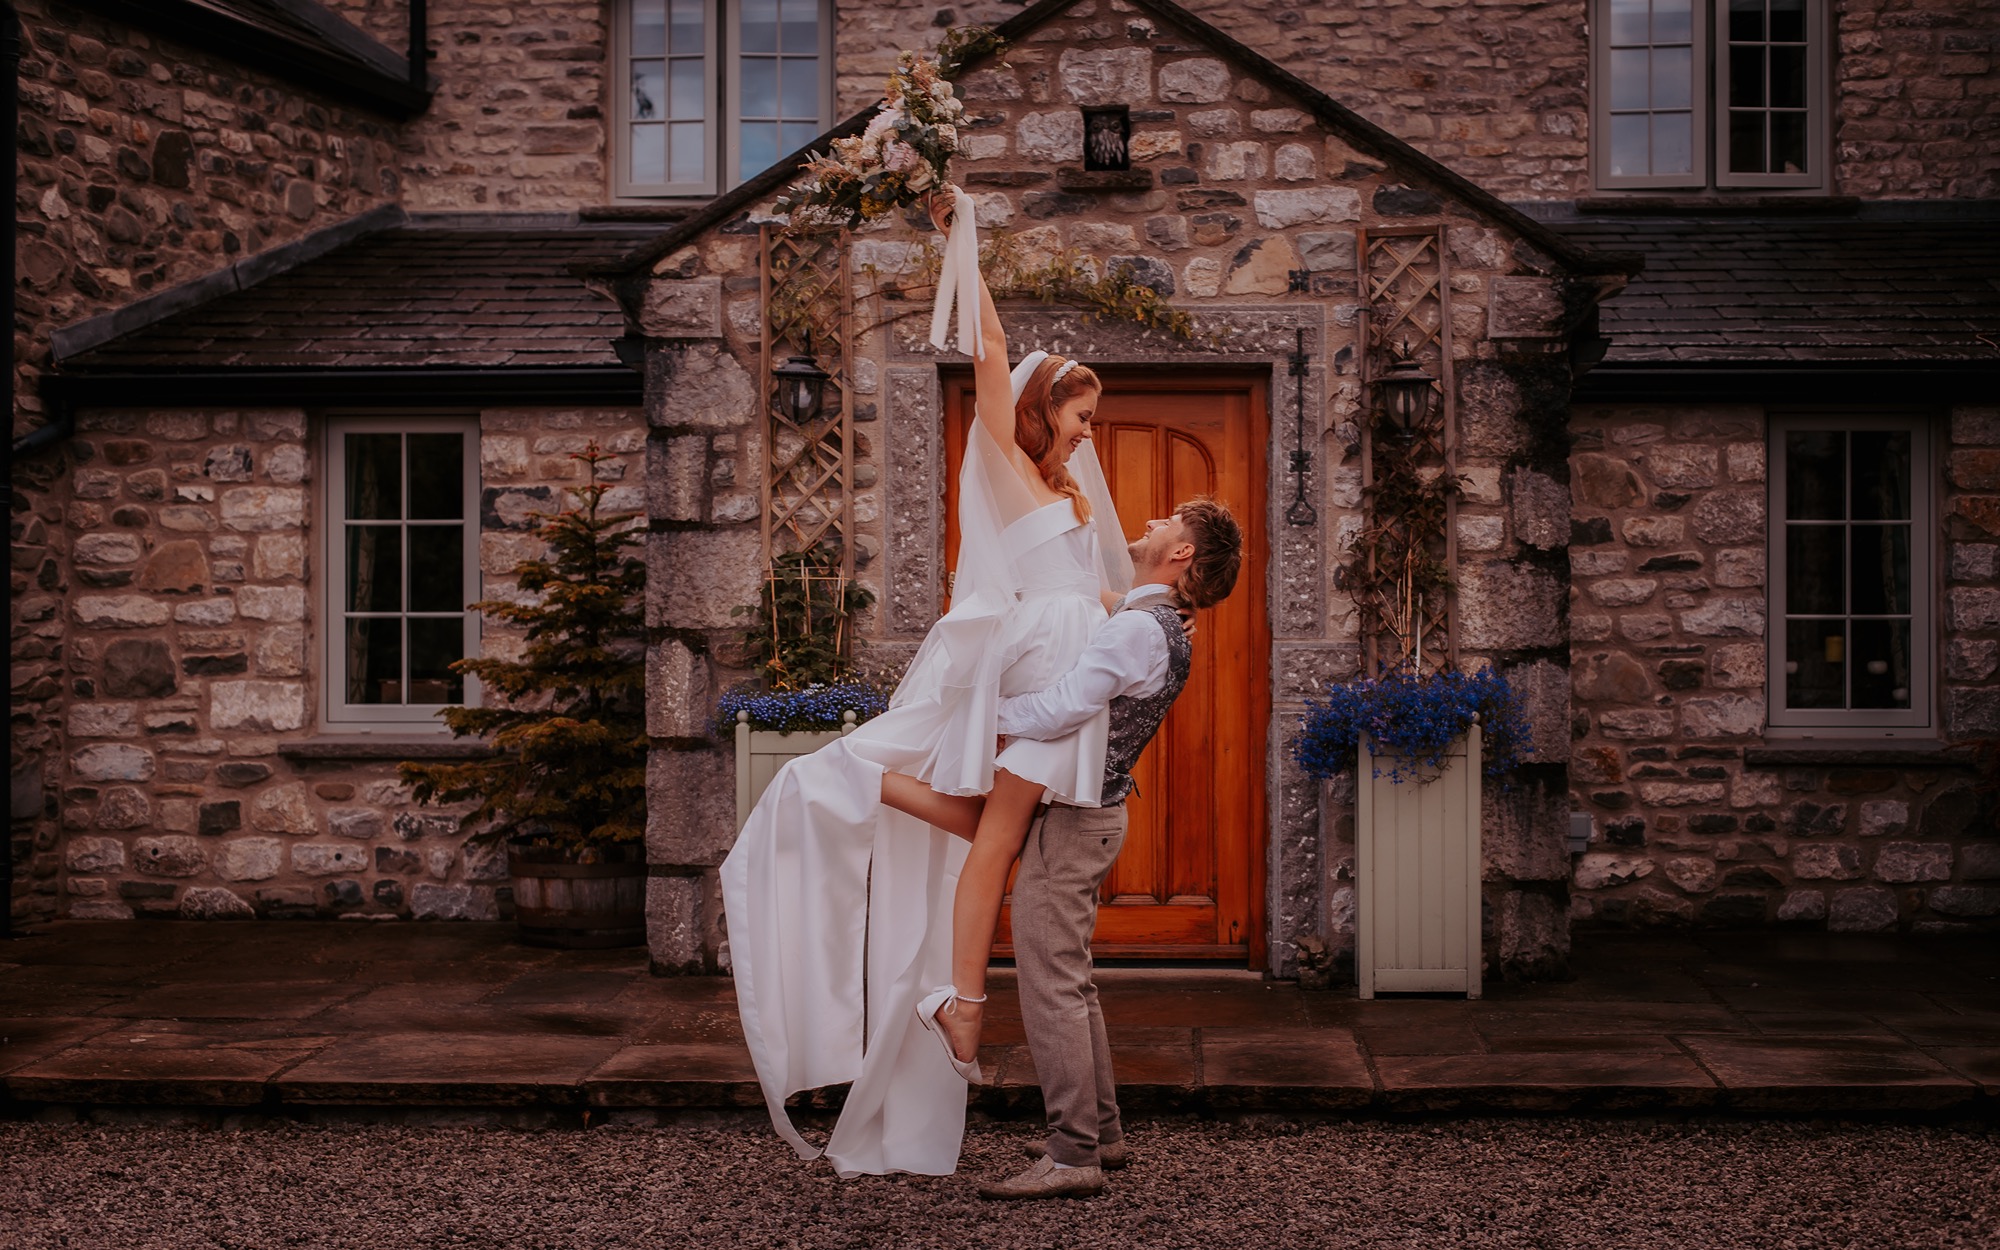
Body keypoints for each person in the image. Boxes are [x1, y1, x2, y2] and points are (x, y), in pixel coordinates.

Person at [719, 186, 1132, 1178]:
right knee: (993, 836)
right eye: (1079, 415)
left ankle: (971, 1017)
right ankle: (957, 1001)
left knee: (996, 832)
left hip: (1054, 679)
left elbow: (1094, 589)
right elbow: (988, 351)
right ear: (1040, 410)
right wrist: (962, 236)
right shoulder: (1003, 463)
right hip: (1017, 666)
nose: (1088, 433)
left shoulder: (1069, 491)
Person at [974, 499, 1245, 1201]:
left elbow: (1066, 705)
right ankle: (1104, 1134)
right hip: (1088, 815)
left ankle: (1072, 1157)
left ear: (1182, 553)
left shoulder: (1140, 630)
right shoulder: (1147, 618)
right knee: (1072, 979)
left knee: (1050, 983)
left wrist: (980, 718)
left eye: (1170, 522)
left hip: (1075, 821)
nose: (1156, 522)